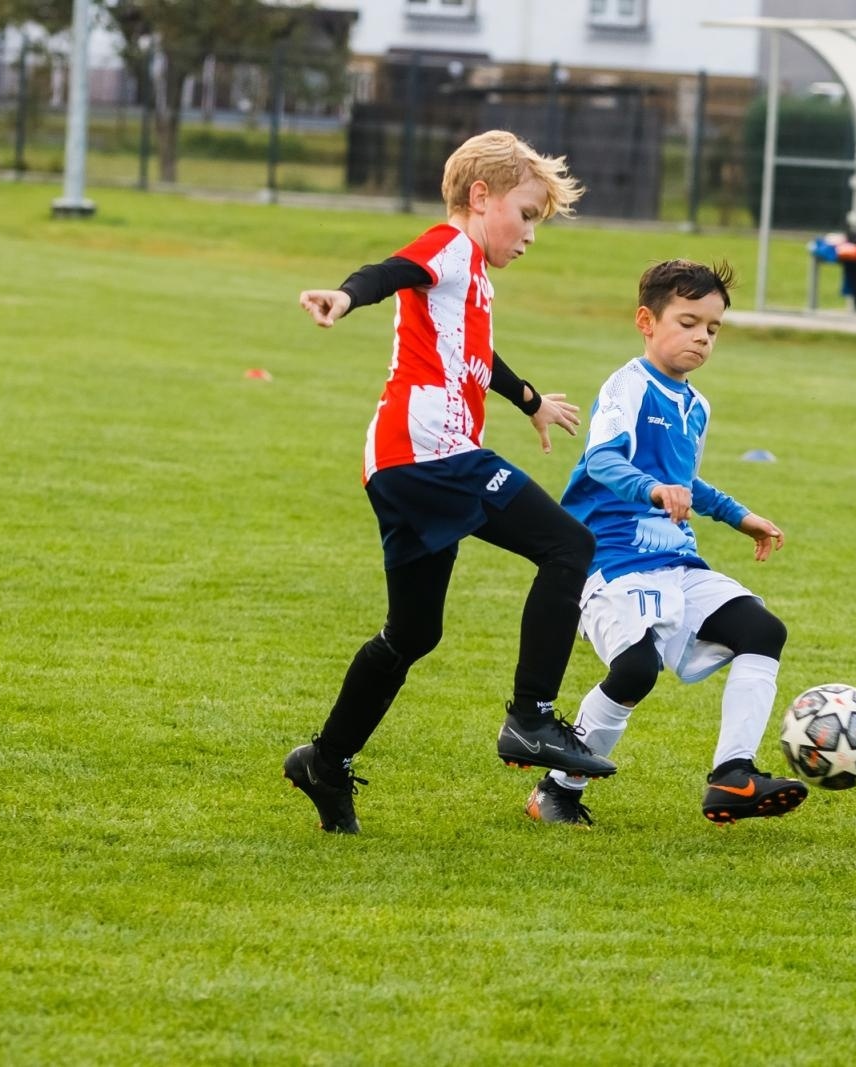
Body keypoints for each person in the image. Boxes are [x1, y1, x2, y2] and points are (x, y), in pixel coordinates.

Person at [283, 131, 618, 834]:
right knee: (569, 546)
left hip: (404, 463)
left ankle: (326, 757)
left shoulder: (472, 276)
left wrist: (529, 399)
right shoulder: (449, 246)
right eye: (526, 214)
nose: (530, 234)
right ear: (480, 198)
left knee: (413, 631)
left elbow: (475, 354)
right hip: (429, 453)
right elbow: (391, 269)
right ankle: (530, 717)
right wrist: (346, 298)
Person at [524, 259, 808, 828]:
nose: (702, 336)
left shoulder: (696, 406)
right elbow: (603, 459)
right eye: (687, 321)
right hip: (610, 562)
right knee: (635, 670)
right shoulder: (627, 386)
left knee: (762, 631)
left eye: (713, 327)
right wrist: (652, 489)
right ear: (646, 322)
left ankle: (733, 776)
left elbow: (684, 479)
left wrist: (737, 515)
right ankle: (557, 790)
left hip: (675, 560)